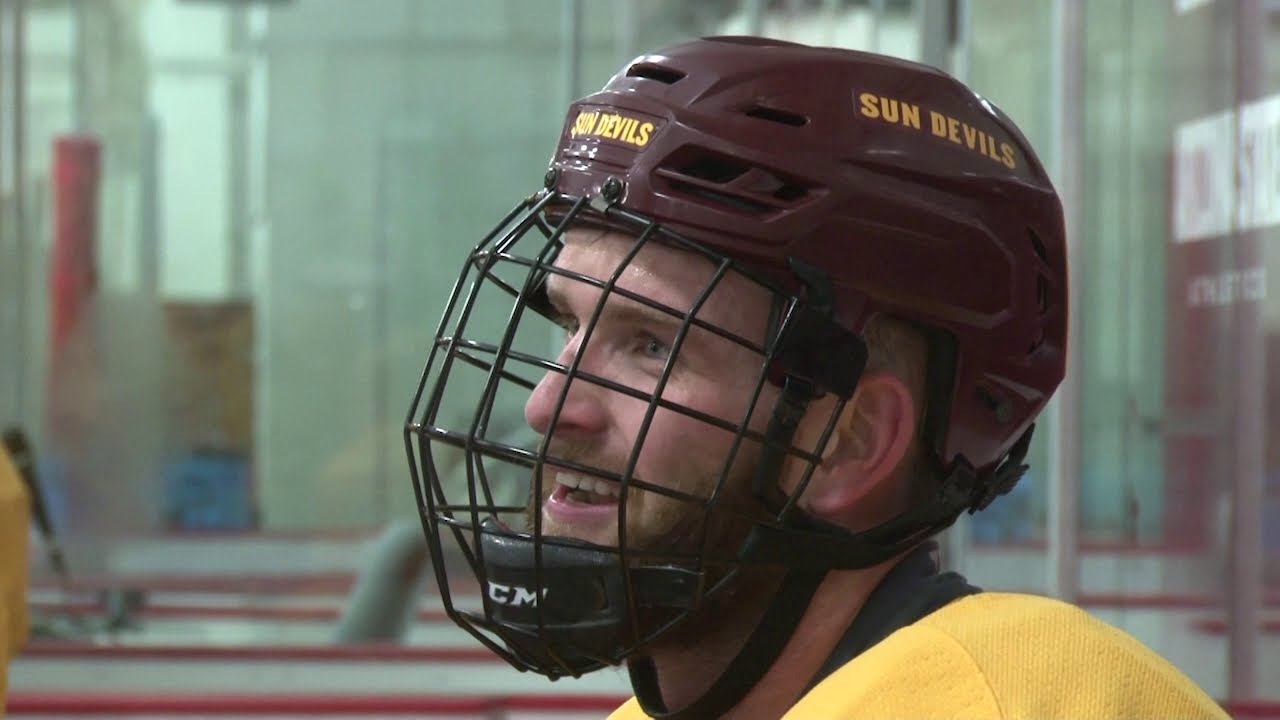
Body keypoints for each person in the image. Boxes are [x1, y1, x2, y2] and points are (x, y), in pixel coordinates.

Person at [404, 37, 1228, 719]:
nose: (548, 404)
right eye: (570, 327)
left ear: (850, 442)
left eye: (650, 345)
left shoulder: (1029, 702)